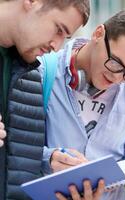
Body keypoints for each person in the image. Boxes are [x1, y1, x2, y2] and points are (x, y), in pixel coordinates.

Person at [40, 8, 125, 200]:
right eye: (115, 63)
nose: (117, 78)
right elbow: (16, 147)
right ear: (98, 34)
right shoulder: (42, 72)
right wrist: (48, 158)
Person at [0, 0, 90, 199]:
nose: (57, 47)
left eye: (65, 38)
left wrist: (49, 160)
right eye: (58, 29)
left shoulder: (31, 74)